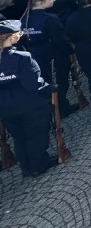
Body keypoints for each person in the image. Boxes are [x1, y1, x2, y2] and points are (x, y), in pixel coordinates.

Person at [0, 19, 57, 178]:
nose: (21, 34)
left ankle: (26, 167)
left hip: (5, 106)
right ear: (11, 37)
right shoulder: (22, 57)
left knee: (19, 137)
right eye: (18, 33)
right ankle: (38, 164)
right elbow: (34, 82)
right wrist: (49, 87)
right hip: (29, 104)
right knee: (36, 134)